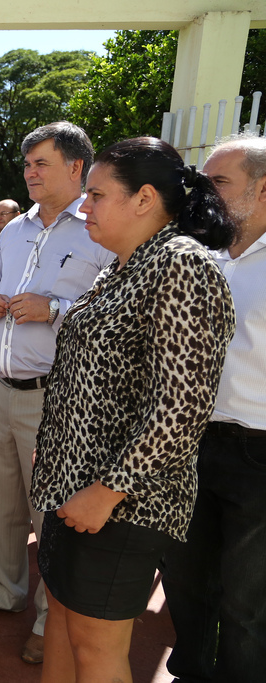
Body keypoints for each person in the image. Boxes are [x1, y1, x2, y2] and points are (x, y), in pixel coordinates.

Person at [31, 137, 236, 682]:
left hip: (121, 505)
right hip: (71, 492)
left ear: (144, 199)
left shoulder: (182, 268)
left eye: (96, 195)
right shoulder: (122, 267)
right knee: (62, 629)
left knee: (97, 650)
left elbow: (182, 407)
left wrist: (106, 492)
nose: (84, 206)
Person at [0, 122, 114, 666]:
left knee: (52, 512)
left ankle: (52, 617)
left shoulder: (99, 230)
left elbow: (114, 317)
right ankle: (3, 588)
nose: (29, 173)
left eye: (41, 164)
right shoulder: (16, 229)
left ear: (77, 168)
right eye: (26, 165)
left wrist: (54, 310)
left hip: (56, 397)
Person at [162, 134, 266, 683]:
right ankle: (191, 672)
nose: (206, 192)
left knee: (247, 604)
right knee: (183, 580)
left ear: (263, 187)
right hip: (187, 443)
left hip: (256, 453)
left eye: (219, 182)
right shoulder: (198, 255)